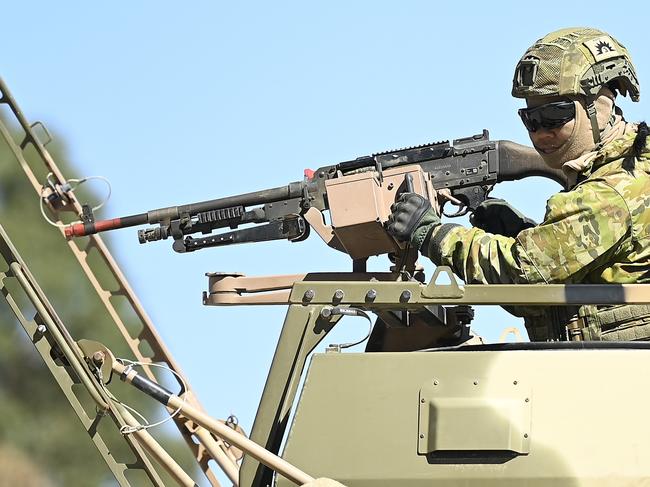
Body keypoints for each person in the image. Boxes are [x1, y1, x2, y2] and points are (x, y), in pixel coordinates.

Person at [387, 27, 650, 342]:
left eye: (554, 116)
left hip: (606, 380)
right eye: (531, 119)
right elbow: (534, 297)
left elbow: (526, 273)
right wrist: (518, 232)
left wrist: (431, 234)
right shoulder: (619, 175)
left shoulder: (613, 191)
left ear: (600, 106)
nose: (540, 133)